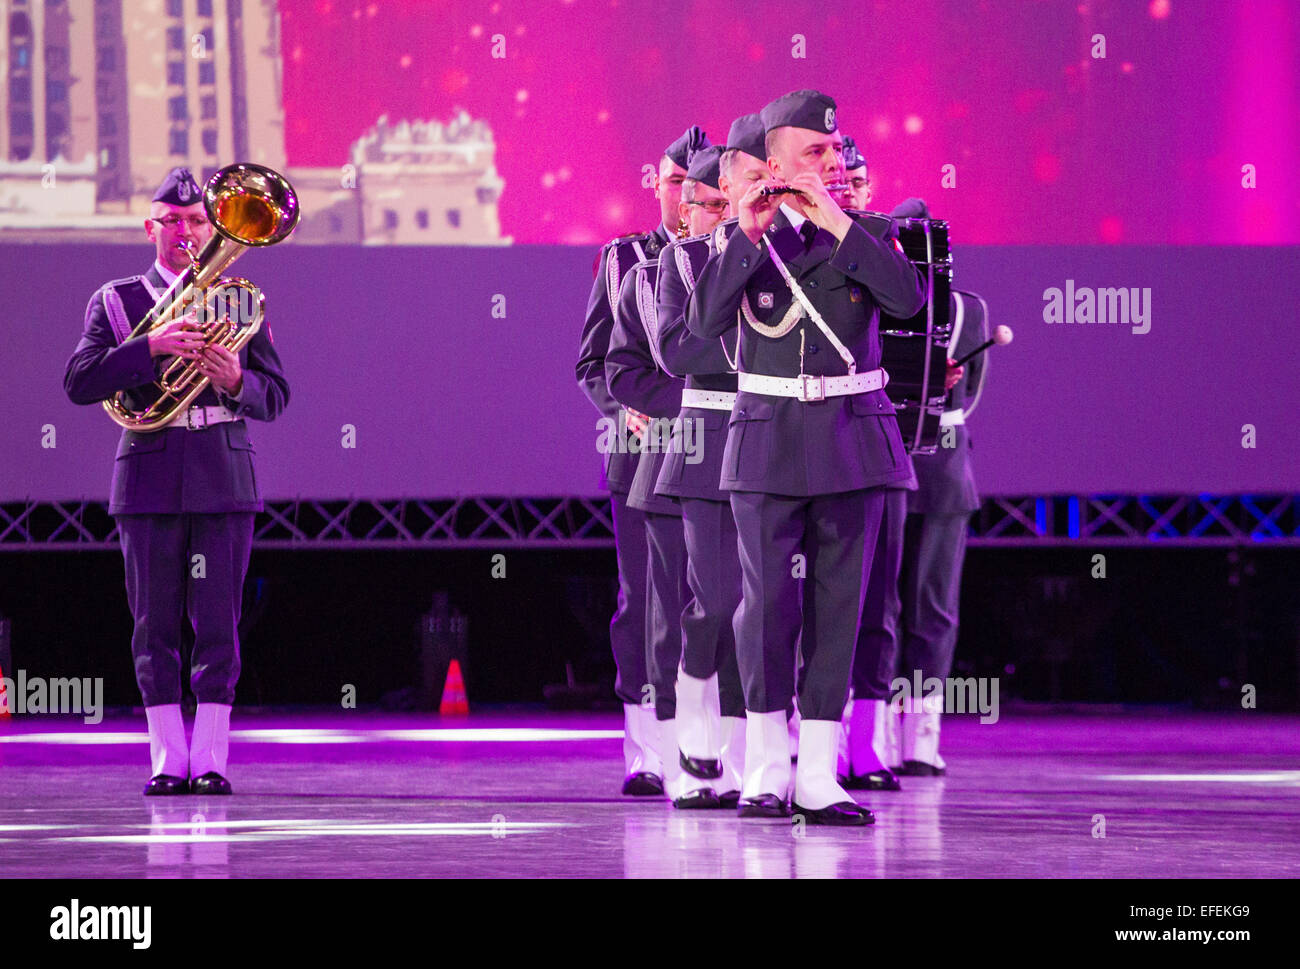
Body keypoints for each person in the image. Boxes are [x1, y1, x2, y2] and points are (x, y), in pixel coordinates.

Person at [686, 90, 926, 825]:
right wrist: (746, 238)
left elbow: (907, 301)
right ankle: (764, 766)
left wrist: (838, 222)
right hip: (766, 439)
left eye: (833, 150)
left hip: (851, 439)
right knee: (763, 610)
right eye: (813, 153)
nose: (830, 161)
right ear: (775, 162)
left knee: (839, 606)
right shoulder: (747, 236)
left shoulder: (866, 231)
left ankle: (819, 773)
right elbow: (697, 333)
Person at [63, 167, 289, 796]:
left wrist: (237, 381)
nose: (185, 232)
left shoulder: (240, 301)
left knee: (219, 622)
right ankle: (167, 760)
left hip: (223, 475)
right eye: (173, 221)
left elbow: (276, 396)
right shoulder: (116, 300)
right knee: (152, 625)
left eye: (196, 222)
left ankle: (212, 759)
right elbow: (80, 381)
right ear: (150, 228)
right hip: (148, 479)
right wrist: (153, 346)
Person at [576, 126, 708, 796]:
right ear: (655, 183)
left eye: (699, 183)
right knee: (646, 602)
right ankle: (646, 748)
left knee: (710, 598)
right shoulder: (624, 258)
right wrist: (619, 406)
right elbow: (592, 362)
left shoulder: (728, 259)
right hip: (641, 455)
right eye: (675, 180)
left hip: (719, 456)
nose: (686, 194)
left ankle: (707, 742)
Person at [606, 141, 729, 809]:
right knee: (661, 612)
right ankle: (658, 752)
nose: (711, 209)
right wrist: (637, 412)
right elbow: (613, 367)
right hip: (659, 461)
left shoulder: (754, 270)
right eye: (695, 195)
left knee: (737, 606)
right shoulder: (636, 267)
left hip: (744, 461)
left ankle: (731, 753)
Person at [653, 117, 771, 808]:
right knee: (715, 600)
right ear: (690, 207)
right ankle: (692, 734)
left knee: (760, 609)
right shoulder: (684, 262)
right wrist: (753, 354)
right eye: (710, 204)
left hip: (769, 433)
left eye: (732, 201)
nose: (722, 215)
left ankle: (744, 756)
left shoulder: (776, 253)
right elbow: (675, 350)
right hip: (704, 437)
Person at [888, 200, 989, 776]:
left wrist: (939, 384)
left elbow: (970, 393)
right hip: (882, 457)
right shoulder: (871, 300)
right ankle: (867, 725)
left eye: (930, 243)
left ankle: (922, 729)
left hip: (944, 466)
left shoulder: (967, 310)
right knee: (876, 599)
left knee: (933, 603)